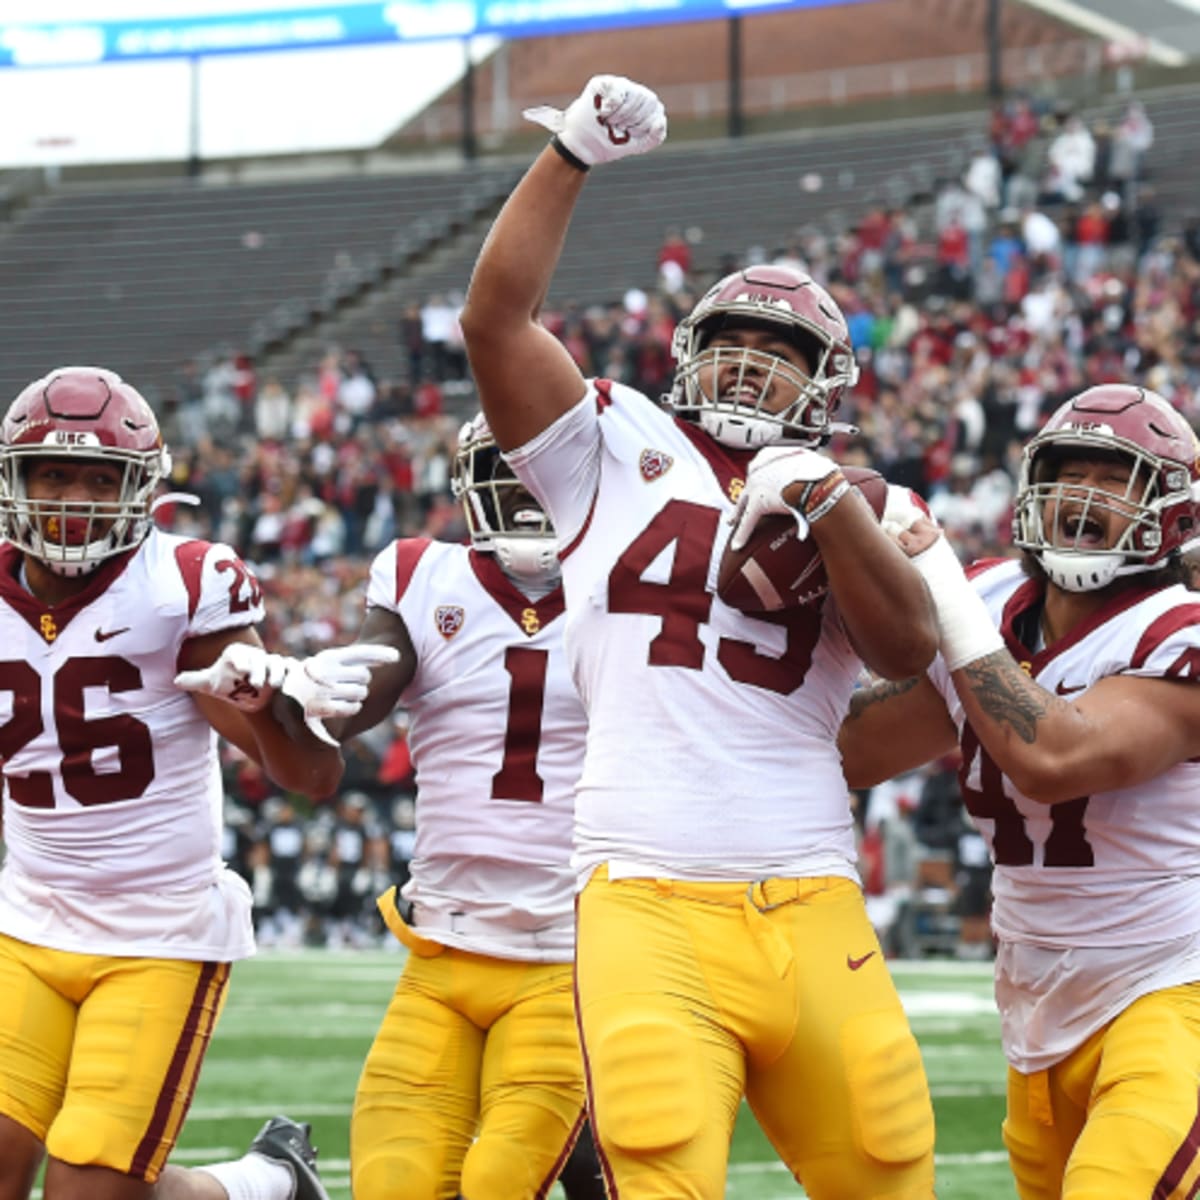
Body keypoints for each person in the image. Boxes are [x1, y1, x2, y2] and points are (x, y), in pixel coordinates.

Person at [457, 75, 940, 1199]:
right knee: (663, 1161)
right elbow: (494, 320)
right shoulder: (609, 443)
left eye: (779, 354)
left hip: (809, 881)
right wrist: (570, 154)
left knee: (886, 1163)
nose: (749, 369)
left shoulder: (855, 495)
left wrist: (825, 505)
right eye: (731, 345)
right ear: (687, 353)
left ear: (826, 388)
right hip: (643, 885)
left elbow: (907, 652)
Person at [0, 366, 377, 1200]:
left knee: (88, 1191)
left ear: (142, 490)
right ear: (14, 480)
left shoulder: (181, 583)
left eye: (102, 478)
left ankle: (261, 1186)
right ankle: (267, 1180)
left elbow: (312, 777)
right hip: (25, 920)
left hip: (154, 933)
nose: (75, 498)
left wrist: (275, 703)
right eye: (53, 473)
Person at [839, 383, 1200, 1199]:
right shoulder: (997, 598)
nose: (1082, 496)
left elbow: (1053, 754)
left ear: (1171, 511)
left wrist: (937, 581)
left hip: (1170, 991)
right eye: (1068, 471)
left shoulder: (1180, 630)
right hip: (1036, 1009)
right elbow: (853, 749)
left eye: (1115, 480)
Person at [284, 412, 602, 1199]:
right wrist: (308, 690)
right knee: (395, 1182)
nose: (529, 496)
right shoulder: (422, 573)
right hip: (442, 948)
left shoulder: (630, 581)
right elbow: (358, 700)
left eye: (545, 475)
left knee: (503, 1180)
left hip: (577, 949)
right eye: (511, 474)